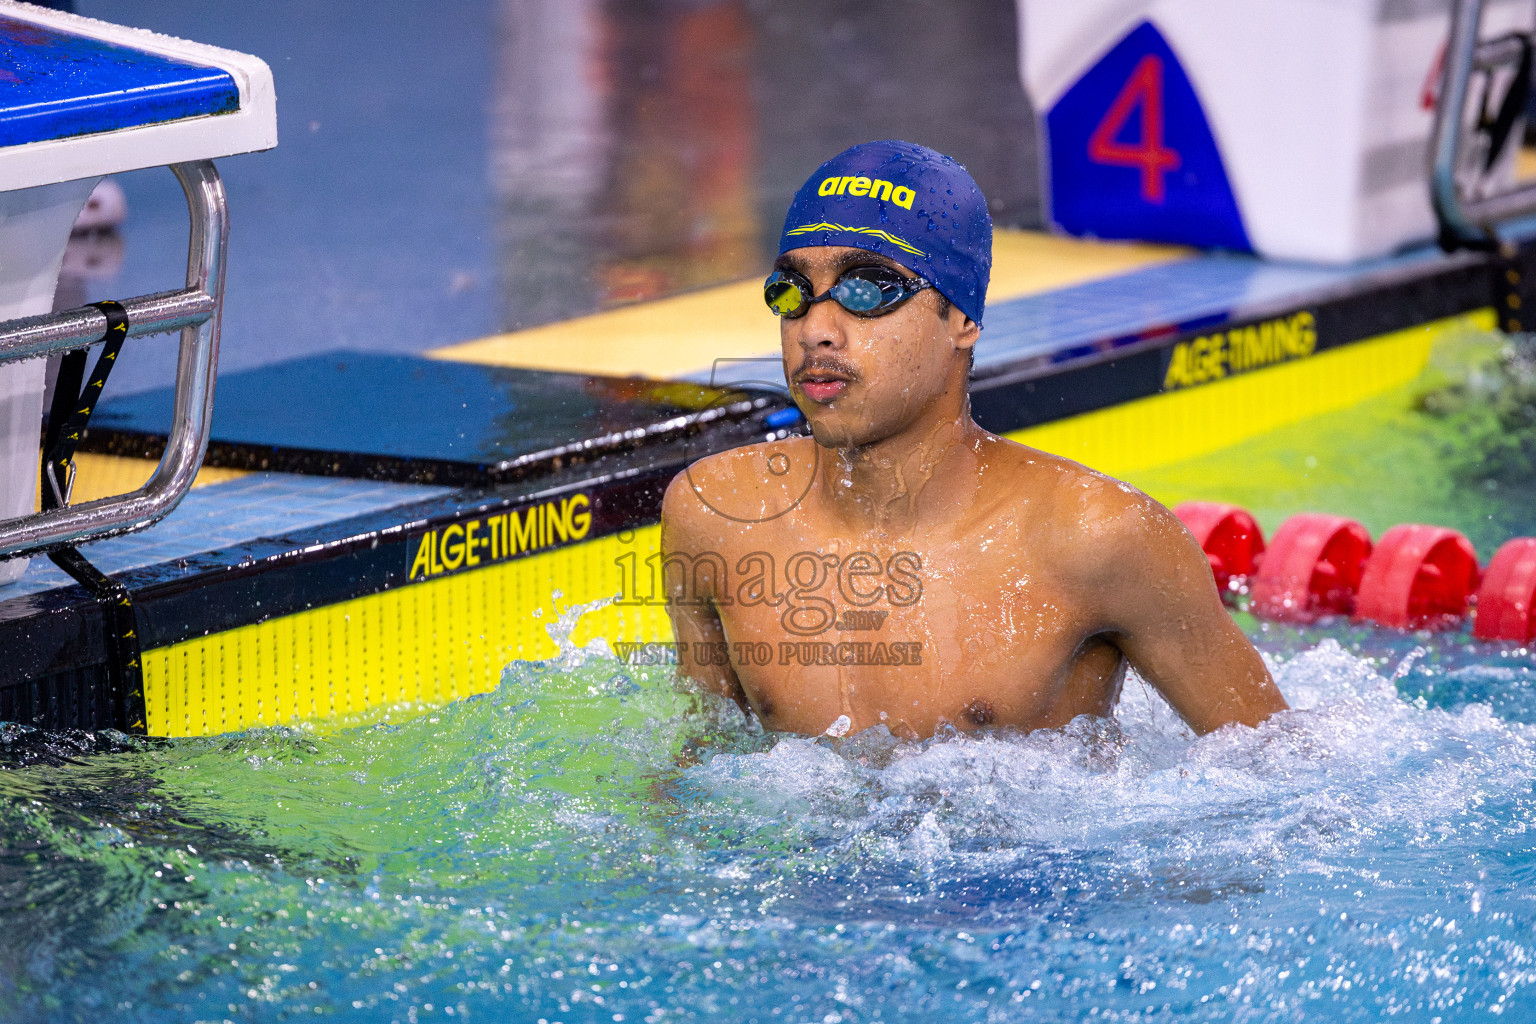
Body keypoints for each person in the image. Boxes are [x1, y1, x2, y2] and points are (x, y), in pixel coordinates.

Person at [661, 140, 1288, 739]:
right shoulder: (716, 514)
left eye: (868, 290)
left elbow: (1284, 777)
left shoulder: (1097, 538)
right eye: (792, 292)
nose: (816, 330)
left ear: (961, 320)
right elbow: (699, 769)